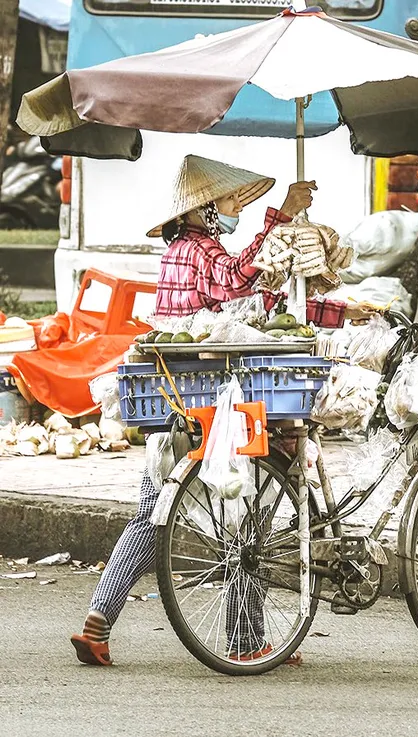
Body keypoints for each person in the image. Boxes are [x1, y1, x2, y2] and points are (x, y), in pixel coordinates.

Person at [71, 155, 373, 666]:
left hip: (176, 402)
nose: (238, 209)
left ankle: (99, 621)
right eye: (232, 202)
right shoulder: (196, 251)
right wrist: (279, 215)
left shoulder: (192, 250)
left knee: (153, 516)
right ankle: (245, 640)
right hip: (209, 399)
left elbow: (262, 308)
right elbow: (236, 281)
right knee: (244, 519)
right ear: (204, 210)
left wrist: (339, 312)